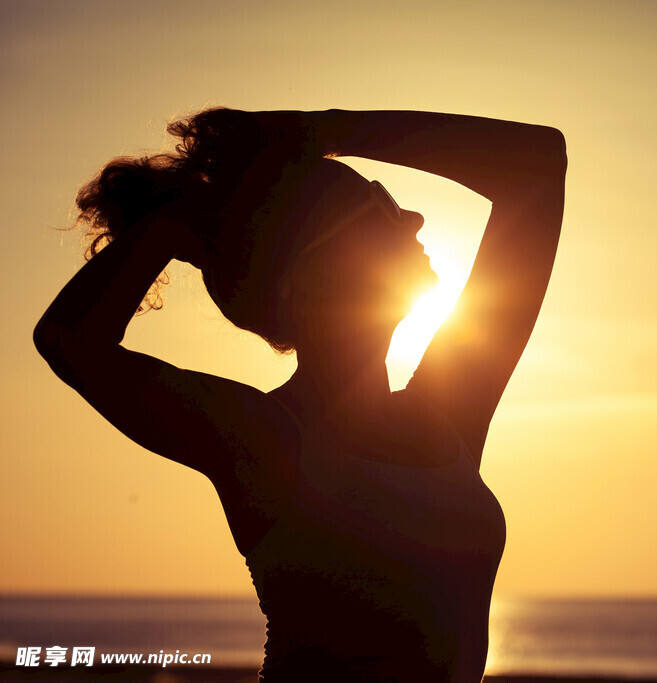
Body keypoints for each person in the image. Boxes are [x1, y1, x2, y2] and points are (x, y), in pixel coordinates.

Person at [33, 108, 567, 681]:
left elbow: (537, 163)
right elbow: (69, 340)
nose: (411, 217)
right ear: (316, 274)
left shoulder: (446, 413)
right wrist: (175, 224)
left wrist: (326, 130)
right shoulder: (261, 438)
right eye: (380, 206)